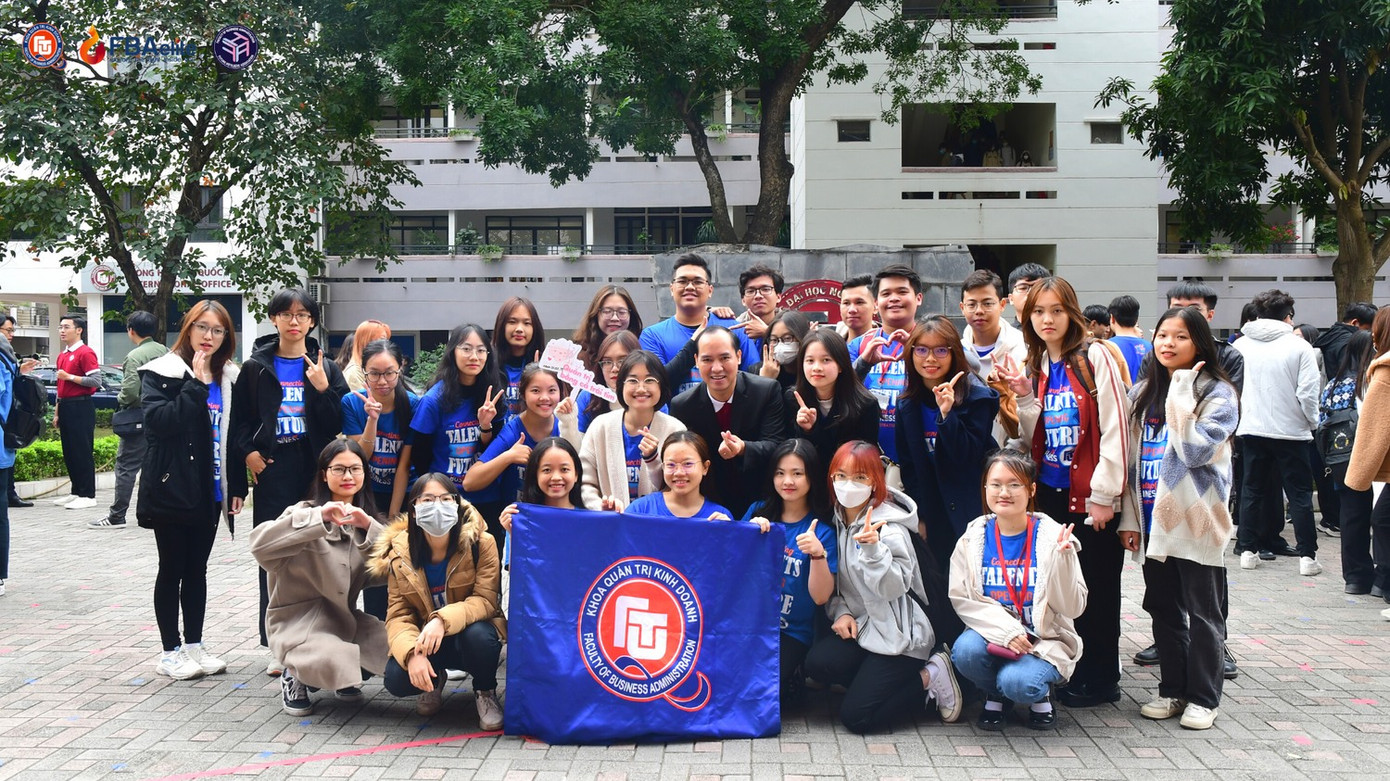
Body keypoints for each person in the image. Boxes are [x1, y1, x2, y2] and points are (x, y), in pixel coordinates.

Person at [998, 275, 1130, 709]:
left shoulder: (1094, 356)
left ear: (1071, 312)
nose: (1047, 319)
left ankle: (1101, 678)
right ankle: (1072, 668)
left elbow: (1115, 429)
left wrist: (1105, 493)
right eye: (1038, 311)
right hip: (1053, 495)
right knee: (1061, 589)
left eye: (1056, 310)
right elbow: (1039, 437)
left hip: (1090, 497)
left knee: (1097, 589)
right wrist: (1023, 397)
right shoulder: (1039, 366)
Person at [1118, 307, 1240, 731]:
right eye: (1163, 335)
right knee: (1163, 608)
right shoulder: (1142, 393)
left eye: (1181, 337)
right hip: (1153, 521)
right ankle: (1173, 689)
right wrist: (1129, 519)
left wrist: (1182, 392)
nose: (1168, 344)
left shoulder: (1217, 393)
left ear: (1200, 343)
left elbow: (1194, 451)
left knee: (1203, 613)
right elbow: (1131, 463)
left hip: (1197, 521)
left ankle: (1205, 698)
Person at [802, 440, 961, 733]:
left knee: (857, 718)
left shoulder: (890, 528)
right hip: (865, 628)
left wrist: (874, 552)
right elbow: (838, 588)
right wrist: (841, 613)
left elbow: (892, 588)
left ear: (875, 483)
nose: (849, 485)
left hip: (902, 636)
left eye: (860, 477)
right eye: (841, 476)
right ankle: (875, 683)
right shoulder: (836, 522)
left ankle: (931, 675)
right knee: (819, 663)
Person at [229, 288, 350, 668]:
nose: (294, 321)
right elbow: (240, 422)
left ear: (312, 321)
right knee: (274, 553)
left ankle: (319, 634)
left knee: (319, 552)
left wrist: (323, 389)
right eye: (286, 314)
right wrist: (248, 453)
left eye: (302, 315)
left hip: (313, 468)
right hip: (273, 466)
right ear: (274, 319)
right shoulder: (256, 367)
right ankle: (277, 644)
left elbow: (339, 422)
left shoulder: (325, 366)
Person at [135, 301, 241, 680]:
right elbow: (159, 424)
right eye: (202, 327)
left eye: (218, 330)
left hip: (210, 490)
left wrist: (236, 486)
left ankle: (194, 644)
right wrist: (195, 386)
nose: (209, 336)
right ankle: (169, 651)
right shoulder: (163, 372)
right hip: (172, 488)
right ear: (188, 328)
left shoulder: (229, 376)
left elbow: (235, 437)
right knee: (172, 568)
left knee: (197, 570)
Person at [949, 451, 1085, 731]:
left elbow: (1074, 608)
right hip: (994, 636)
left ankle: (1035, 691)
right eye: (995, 484)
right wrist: (1007, 633)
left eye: (1014, 484)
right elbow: (962, 599)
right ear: (985, 487)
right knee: (965, 652)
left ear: (1031, 489)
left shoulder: (1053, 537)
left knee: (1019, 683)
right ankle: (996, 692)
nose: (1004, 492)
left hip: (1043, 640)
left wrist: (1064, 561)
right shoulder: (972, 537)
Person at [249, 439, 387, 716]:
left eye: (355, 469)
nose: (348, 476)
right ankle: (294, 674)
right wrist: (320, 517)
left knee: (399, 653)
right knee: (335, 658)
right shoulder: (302, 513)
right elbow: (260, 546)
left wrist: (368, 526)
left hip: (345, 621)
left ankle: (341, 675)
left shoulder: (365, 520)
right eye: (339, 469)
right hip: (298, 625)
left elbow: (395, 568)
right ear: (324, 474)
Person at [370, 472, 505, 726]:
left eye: (446, 499)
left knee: (480, 637)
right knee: (396, 679)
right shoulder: (399, 553)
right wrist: (412, 654)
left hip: (467, 635)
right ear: (413, 509)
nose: (438, 507)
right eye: (428, 500)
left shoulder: (481, 542)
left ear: (457, 504)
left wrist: (441, 621)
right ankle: (433, 680)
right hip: (427, 642)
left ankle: (485, 691)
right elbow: (398, 615)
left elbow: (486, 600)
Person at [896, 316, 1000, 572]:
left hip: (971, 507)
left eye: (940, 350)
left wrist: (947, 415)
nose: (930, 359)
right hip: (933, 510)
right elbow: (910, 467)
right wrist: (919, 516)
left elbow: (966, 456)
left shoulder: (979, 398)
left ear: (954, 353)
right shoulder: (907, 403)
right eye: (921, 350)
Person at [1232, 289, 1321, 574]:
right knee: (1299, 494)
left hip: (1251, 428)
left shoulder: (1241, 345)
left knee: (1251, 490)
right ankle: (1308, 557)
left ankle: (1247, 549)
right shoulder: (1300, 348)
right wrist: (1312, 422)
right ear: (1288, 316)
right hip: (1292, 431)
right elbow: (1308, 393)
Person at [742, 439, 837, 702]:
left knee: (758, 695)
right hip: (749, 625)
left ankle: (795, 672)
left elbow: (821, 598)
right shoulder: (756, 512)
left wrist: (817, 554)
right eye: (780, 473)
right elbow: (733, 570)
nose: (788, 481)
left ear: (811, 478)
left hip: (791, 633)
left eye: (797, 473)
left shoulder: (823, 531)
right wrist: (746, 534)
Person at [668, 327, 786, 518]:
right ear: (696, 361)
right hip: (708, 502)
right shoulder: (682, 406)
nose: (716, 368)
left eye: (724, 358)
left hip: (760, 500)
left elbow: (777, 445)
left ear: (738, 357)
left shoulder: (766, 391)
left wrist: (743, 448)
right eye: (707, 360)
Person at [342, 339, 419, 620]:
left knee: (403, 562)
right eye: (374, 373)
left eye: (390, 372)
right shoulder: (351, 403)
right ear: (363, 372)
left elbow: (404, 465)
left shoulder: (412, 405)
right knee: (372, 563)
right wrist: (371, 419)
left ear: (400, 370)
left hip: (401, 493)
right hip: (366, 495)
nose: (382, 381)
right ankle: (374, 627)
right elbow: (359, 457)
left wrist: (394, 513)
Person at [398, 325, 506, 518]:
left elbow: (495, 451)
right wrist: (437, 490)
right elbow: (420, 455)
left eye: (481, 350)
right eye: (466, 349)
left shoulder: (493, 395)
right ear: (452, 352)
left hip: (487, 497)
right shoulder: (433, 400)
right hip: (445, 499)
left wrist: (485, 426)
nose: (474, 356)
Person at [464, 365, 580, 542]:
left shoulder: (565, 426)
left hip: (561, 526)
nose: (544, 398)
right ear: (523, 394)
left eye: (552, 390)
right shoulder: (513, 432)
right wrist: (508, 456)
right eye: (535, 390)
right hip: (518, 529)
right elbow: (470, 482)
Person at [88, 312, 169, 529]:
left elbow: (131, 391)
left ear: (130, 330)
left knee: (126, 467)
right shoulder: (166, 351)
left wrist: (120, 400)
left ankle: (117, 516)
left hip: (140, 416)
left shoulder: (135, 356)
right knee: (158, 466)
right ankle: (158, 512)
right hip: (165, 417)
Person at [579, 351, 684, 510]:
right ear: (621, 386)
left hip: (657, 525)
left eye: (649, 380)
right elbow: (585, 482)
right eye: (633, 380)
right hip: (610, 524)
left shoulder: (675, 430)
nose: (641, 388)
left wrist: (653, 460)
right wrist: (601, 506)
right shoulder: (600, 426)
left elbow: (678, 486)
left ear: (661, 386)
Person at [640, 253, 754, 395]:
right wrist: (694, 343)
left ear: (710, 290)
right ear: (671, 289)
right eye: (682, 281)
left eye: (698, 282)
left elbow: (753, 381)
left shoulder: (734, 328)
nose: (689, 287)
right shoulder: (652, 336)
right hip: (674, 416)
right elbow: (655, 385)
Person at [849, 264, 925, 471]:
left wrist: (919, 351)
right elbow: (839, 393)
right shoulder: (857, 347)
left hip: (922, 456)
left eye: (902, 292)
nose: (894, 298)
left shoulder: (933, 343)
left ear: (918, 298)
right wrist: (863, 363)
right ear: (876, 303)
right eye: (886, 294)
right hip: (869, 460)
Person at [787, 329, 879, 487]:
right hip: (806, 484)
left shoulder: (865, 404)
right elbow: (789, 451)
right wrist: (806, 430)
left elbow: (863, 457)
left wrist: (815, 429)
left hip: (848, 484)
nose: (816, 367)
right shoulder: (793, 398)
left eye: (826, 360)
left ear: (841, 365)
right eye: (809, 361)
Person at [1325, 330, 1376, 594]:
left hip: (1339, 456)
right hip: (1370, 456)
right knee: (1379, 516)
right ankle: (1381, 578)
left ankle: (1355, 577)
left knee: (1351, 516)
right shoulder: (1372, 380)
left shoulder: (1334, 383)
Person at [1345, 307, 1390, 606]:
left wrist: (1358, 474)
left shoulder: (1384, 369)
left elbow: (1375, 429)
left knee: (1382, 519)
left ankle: (1385, 583)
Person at [52, 314, 101, 511]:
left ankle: (88, 494)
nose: (62, 330)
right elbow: (60, 386)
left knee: (82, 450)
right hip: (65, 406)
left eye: (66, 327)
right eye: (60, 327)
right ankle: (76, 491)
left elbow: (96, 382)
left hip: (81, 406)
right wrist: (56, 412)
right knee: (70, 451)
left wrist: (70, 376)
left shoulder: (85, 353)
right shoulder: (62, 355)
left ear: (79, 330)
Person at [624, 431, 733, 520]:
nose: (679, 472)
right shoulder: (640, 510)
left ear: (705, 467)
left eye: (688, 464)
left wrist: (725, 533)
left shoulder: (719, 517)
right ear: (663, 467)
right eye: (671, 465)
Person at [500, 437, 585, 540]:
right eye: (547, 470)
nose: (556, 477)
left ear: (576, 474)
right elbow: (515, 556)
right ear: (535, 475)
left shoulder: (589, 520)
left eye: (564, 469)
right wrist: (514, 535)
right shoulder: (522, 521)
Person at [959, 269, 1026, 381]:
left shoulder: (1023, 347)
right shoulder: (958, 351)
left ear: (1002, 305)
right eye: (971, 304)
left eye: (987, 304)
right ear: (962, 308)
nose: (979, 311)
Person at [0, 314, 37, 510]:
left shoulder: (5, 356)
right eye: (8, 330)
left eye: (12, 330)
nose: (11, 334)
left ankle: (10, 493)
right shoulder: (5, 356)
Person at [575, 331, 638, 433]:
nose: (614, 369)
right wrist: (567, 424)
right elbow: (577, 447)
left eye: (622, 361)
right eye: (607, 362)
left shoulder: (649, 395)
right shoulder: (588, 396)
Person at [572, 285, 643, 375]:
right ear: (596, 314)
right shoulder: (578, 357)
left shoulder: (643, 349)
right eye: (607, 311)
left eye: (621, 312)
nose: (614, 318)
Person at [492, 297, 545, 415]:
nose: (519, 329)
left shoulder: (546, 367)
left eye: (527, 323)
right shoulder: (488, 365)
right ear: (502, 326)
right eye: (512, 322)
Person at [1313, 301, 1376, 381]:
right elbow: (1350, 375)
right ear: (1355, 323)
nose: (1370, 334)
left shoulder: (1330, 335)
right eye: (1368, 329)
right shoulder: (1350, 342)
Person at [751, 310, 813, 390]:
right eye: (774, 339)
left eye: (787, 338)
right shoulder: (756, 371)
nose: (780, 345)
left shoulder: (812, 372)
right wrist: (765, 381)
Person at [735, 264, 785, 350]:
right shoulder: (735, 328)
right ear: (743, 300)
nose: (758, 296)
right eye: (751, 291)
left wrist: (767, 333)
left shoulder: (792, 325)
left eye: (766, 289)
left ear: (778, 297)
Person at [337, 319, 391, 393]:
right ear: (367, 341)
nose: (385, 345)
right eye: (382, 340)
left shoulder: (367, 367)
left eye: (386, 341)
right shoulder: (355, 373)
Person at [1107, 295, 1151, 383]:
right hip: (1145, 395)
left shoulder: (1105, 347)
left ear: (1112, 318)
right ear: (1136, 319)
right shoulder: (1150, 347)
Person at [1005, 263, 1051, 327]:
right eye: (1023, 288)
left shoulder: (1061, 334)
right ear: (1011, 299)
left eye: (1037, 287)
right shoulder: (1004, 335)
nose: (1031, 293)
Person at [835, 275, 877, 343]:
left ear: (875, 306)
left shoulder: (890, 346)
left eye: (859, 302)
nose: (852, 310)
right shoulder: (830, 348)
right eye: (846, 303)